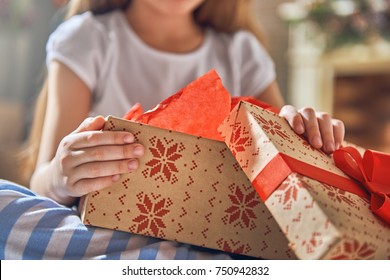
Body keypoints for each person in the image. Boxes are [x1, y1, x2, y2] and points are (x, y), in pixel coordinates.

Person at [1, 0, 344, 260]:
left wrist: (303, 134)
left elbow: (282, 155)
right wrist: (62, 176)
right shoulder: (88, 38)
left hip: (217, 233)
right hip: (104, 231)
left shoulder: (241, 51)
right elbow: (40, 183)